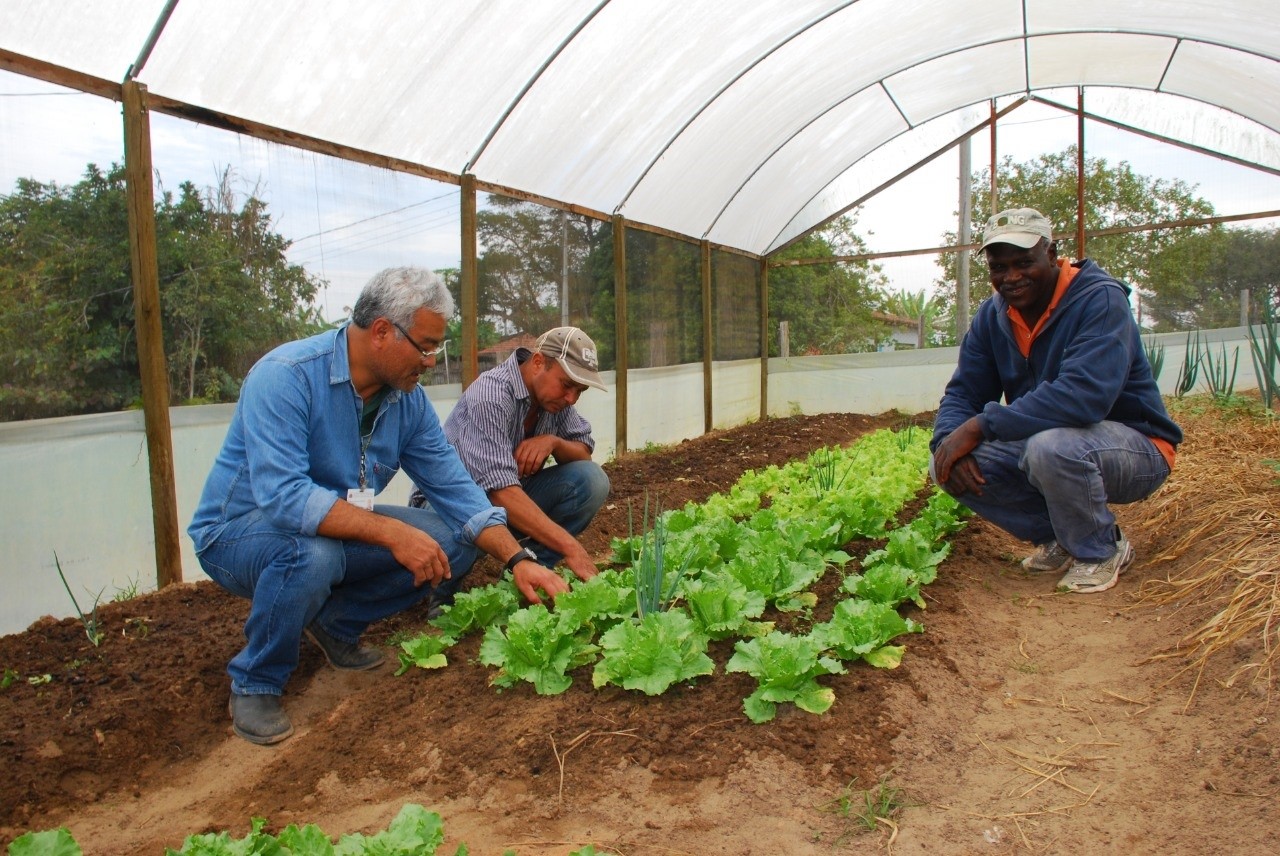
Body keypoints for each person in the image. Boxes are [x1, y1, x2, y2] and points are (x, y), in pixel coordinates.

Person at [188, 267, 570, 746]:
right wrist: (392, 533)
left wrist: (517, 558)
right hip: (239, 532)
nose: (432, 361)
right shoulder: (285, 377)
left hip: (337, 526)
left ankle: (334, 624)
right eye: (427, 346)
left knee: (454, 539)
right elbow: (285, 498)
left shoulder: (405, 400)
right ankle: (256, 680)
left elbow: (455, 488)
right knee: (312, 554)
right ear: (383, 332)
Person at [930, 207, 1182, 594]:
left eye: (1023, 262)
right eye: (999, 267)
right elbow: (964, 392)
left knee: (1052, 448)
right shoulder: (992, 316)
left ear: (1051, 253)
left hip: (1136, 448)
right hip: (1052, 444)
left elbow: (1084, 397)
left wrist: (981, 425)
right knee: (945, 463)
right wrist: (948, 440)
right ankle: (1064, 537)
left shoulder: (1099, 300)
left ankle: (1100, 550)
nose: (1011, 277)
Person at [410, 326, 610, 584]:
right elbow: (499, 491)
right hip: (446, 508)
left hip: (502, 501)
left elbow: (583, 454)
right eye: (568, 385)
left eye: (580, 391)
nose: (572, 398)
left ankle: (533, 572)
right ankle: (444, 593)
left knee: (591, 480)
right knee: (473, 515)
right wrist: (569, 546)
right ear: (538, 362)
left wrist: (554, 442)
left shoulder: (555, 399)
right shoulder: (492, 395)